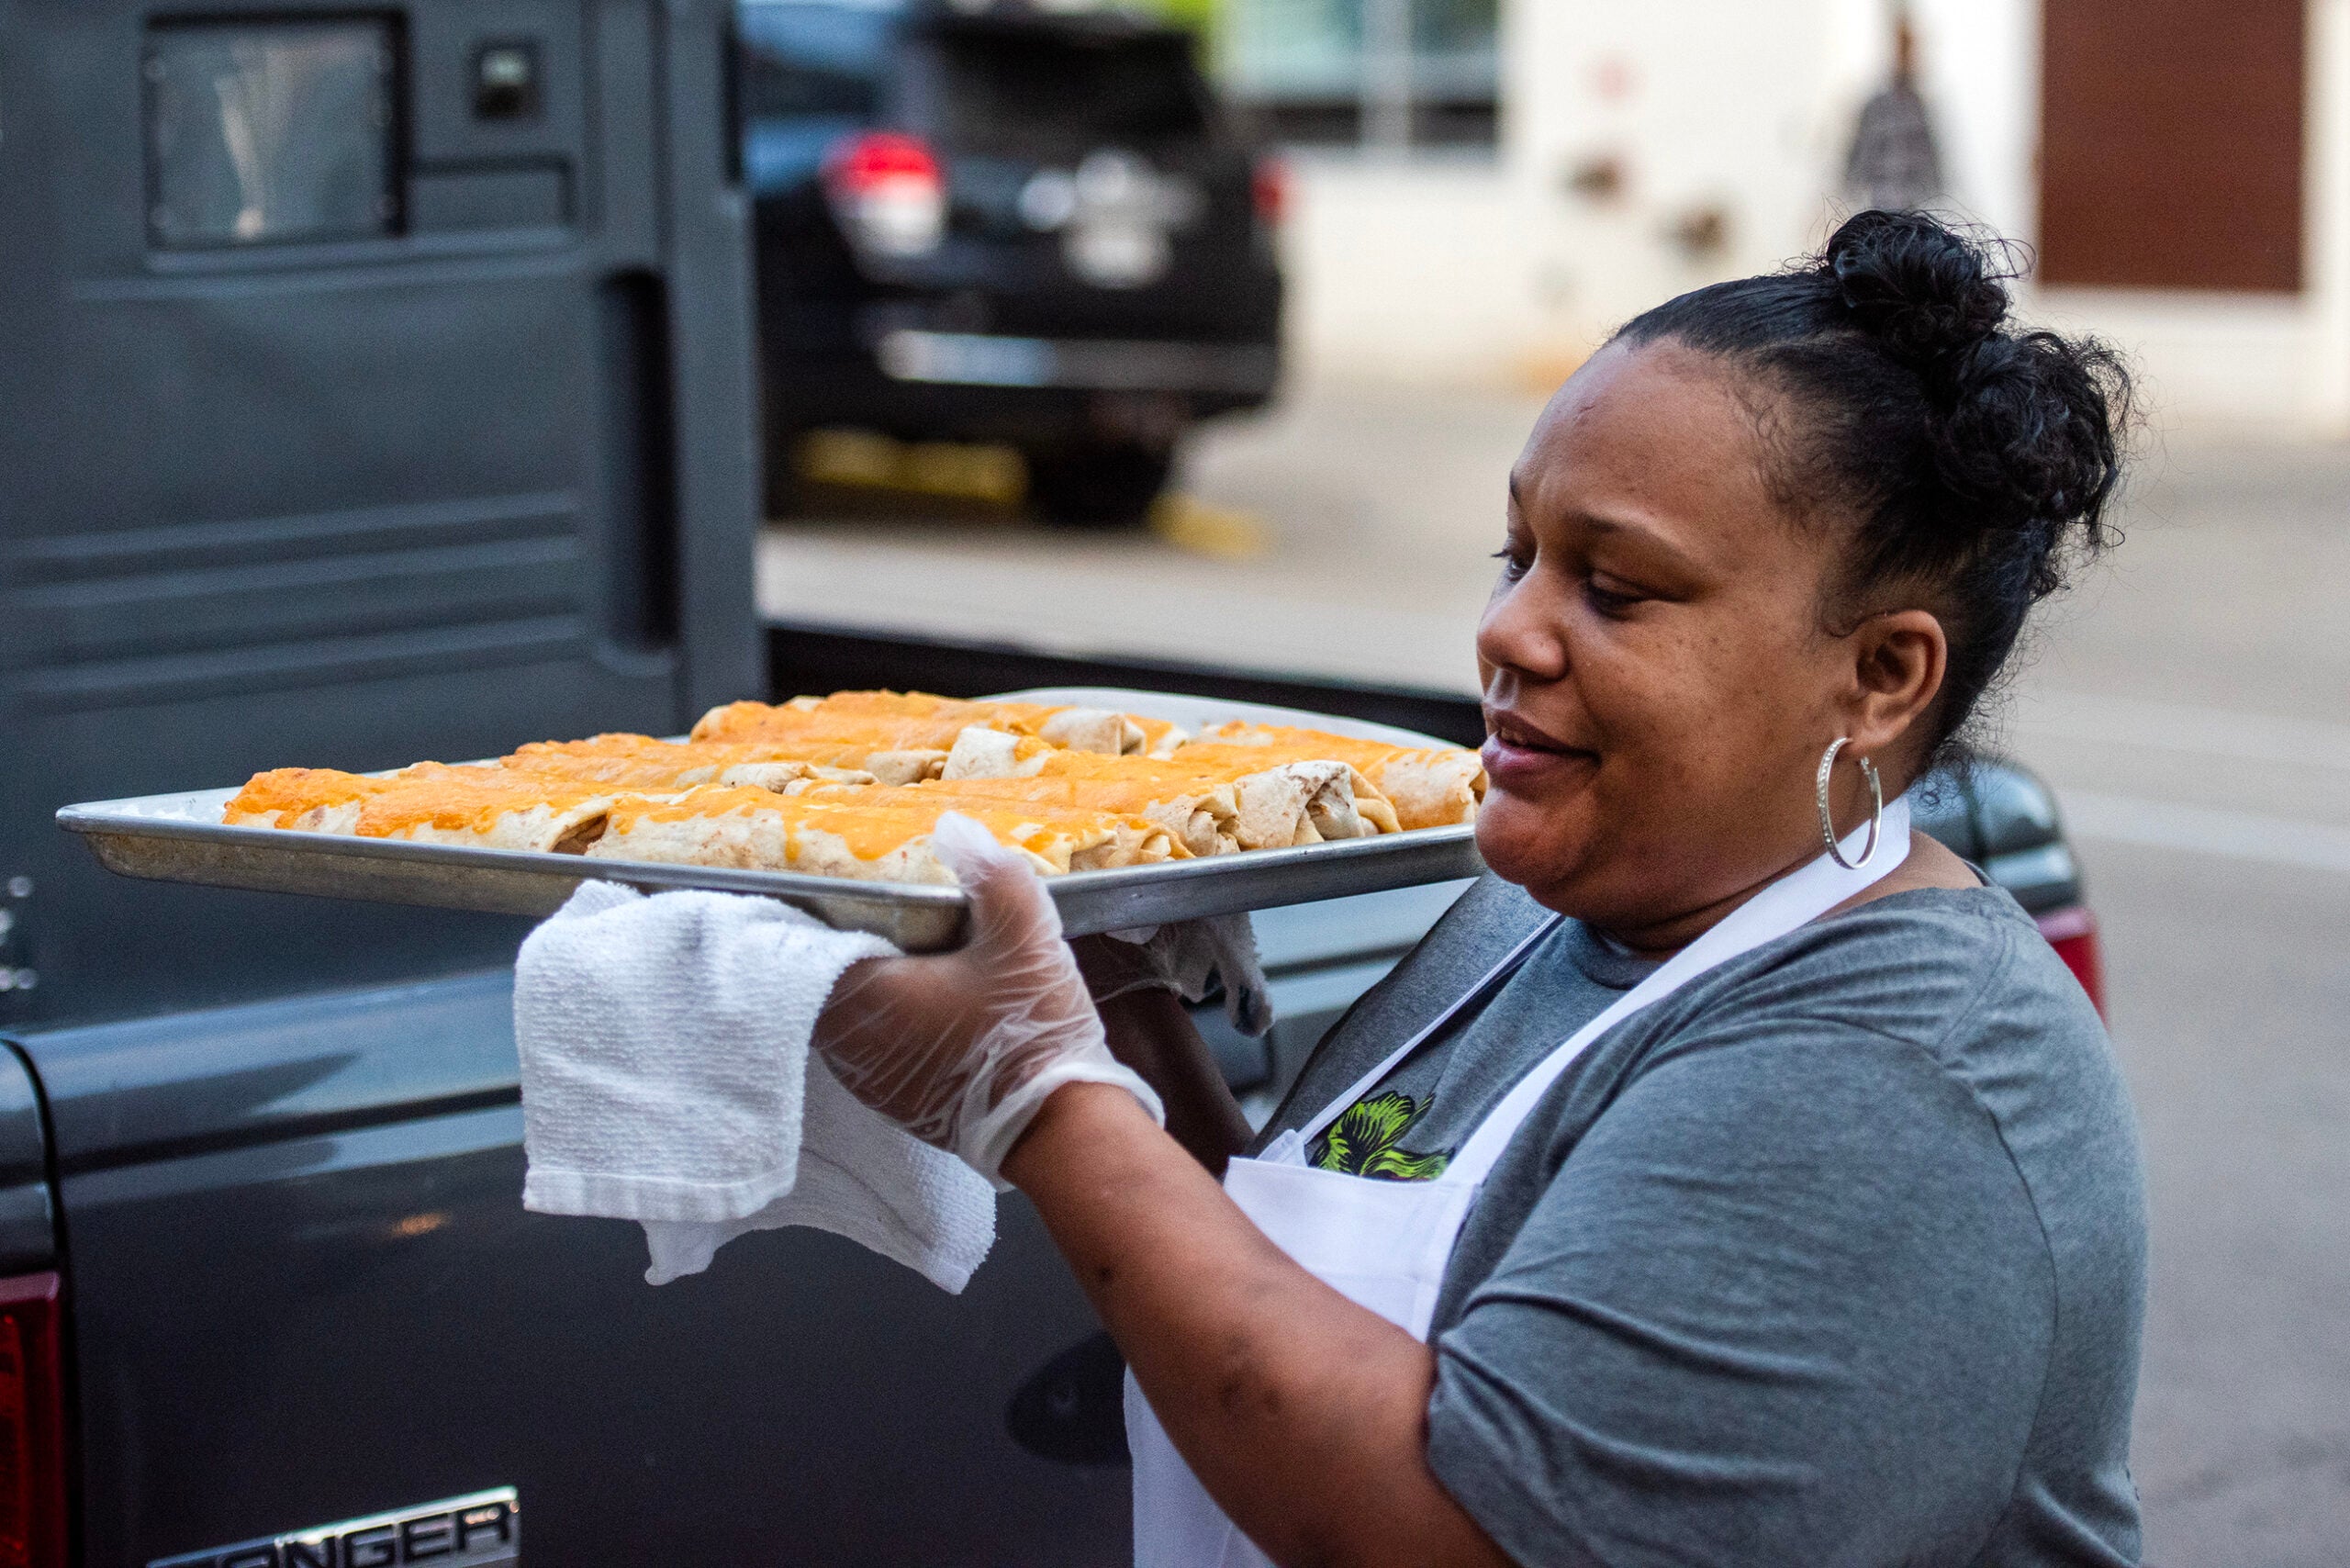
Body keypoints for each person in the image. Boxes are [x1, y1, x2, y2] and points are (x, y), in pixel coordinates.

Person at [815, 208, 2146, 1566]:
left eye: (1616, 589)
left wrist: (1039, 1100)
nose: (1508, 631)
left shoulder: (1893, 1062)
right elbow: (1299, 1301)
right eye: (1521, 558)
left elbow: (1468, 1528)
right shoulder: (1539, 916)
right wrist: (1117, 1009)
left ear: (1881, 677)